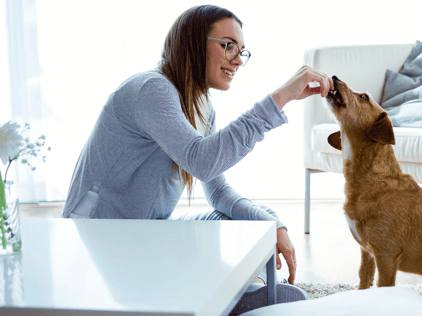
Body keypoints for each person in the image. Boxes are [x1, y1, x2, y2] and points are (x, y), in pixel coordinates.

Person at [61, 4, 333, 315]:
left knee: (246, 218)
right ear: (192, 43)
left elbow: (218, 191)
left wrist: (272, 223)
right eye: (229, 45)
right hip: (101, 244)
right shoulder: (151, 89)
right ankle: (229, 292)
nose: (237, 60)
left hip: (146, 235)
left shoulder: (202, 107)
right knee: (246, 231)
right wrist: (281, 97)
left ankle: (231, 291)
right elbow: (201, 161)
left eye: (242, 51)